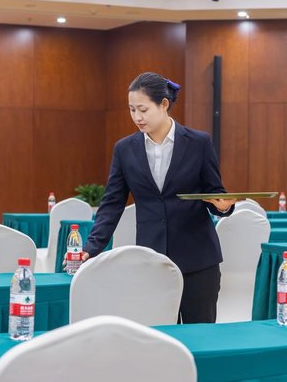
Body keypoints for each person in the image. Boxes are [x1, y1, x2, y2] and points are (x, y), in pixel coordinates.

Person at [82, 72, 235, 323]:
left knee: (201, 335)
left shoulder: (199, 143)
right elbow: (112, 203)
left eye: (143, 109)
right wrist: (92, 247)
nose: (137, 117)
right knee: (157, 335)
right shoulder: (124, 149)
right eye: (132, 110)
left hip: (198, 259)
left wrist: (223, 206)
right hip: (151, 260)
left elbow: (215, 191)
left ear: (164, 104)